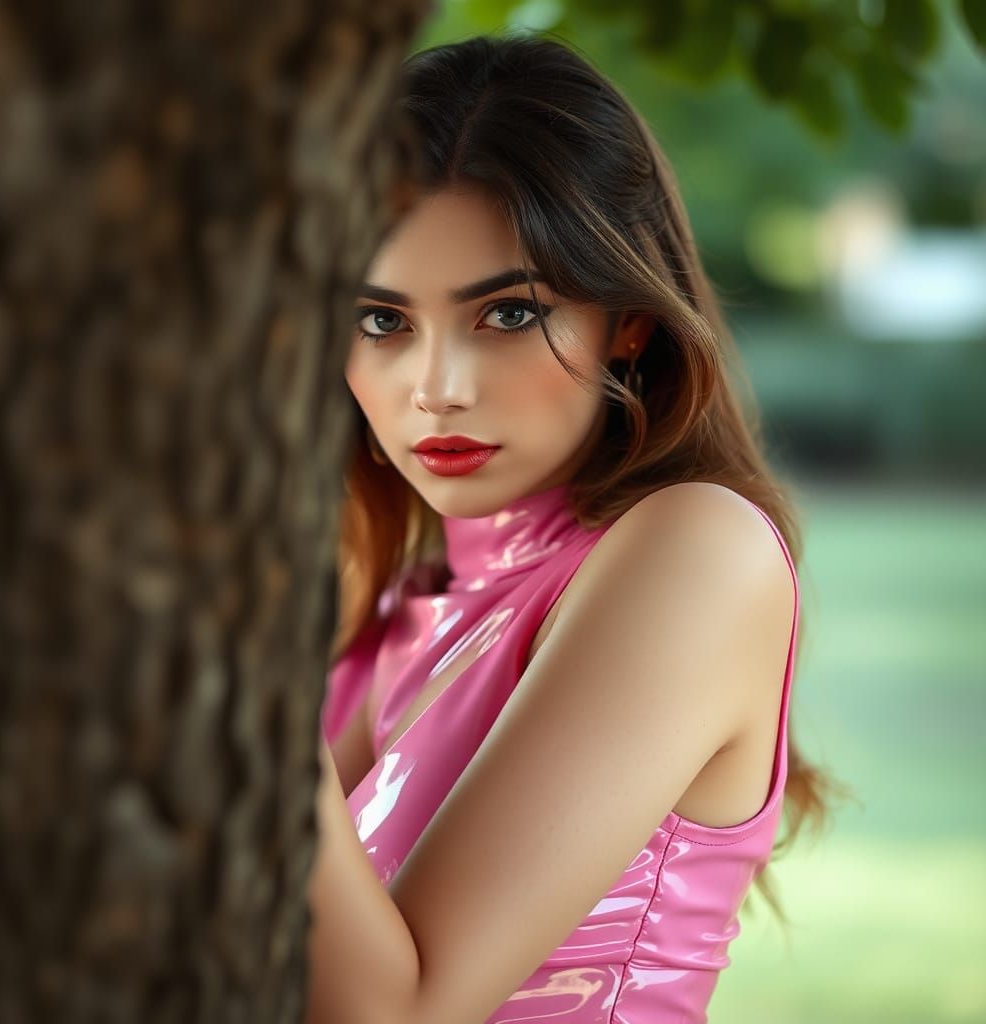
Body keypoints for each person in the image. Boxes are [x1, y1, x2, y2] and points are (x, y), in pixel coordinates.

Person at [317, 33, 834, 1024]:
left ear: (626, 322)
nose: (436, 389)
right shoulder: (412, 604)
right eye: (381, 320)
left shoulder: (696, 550)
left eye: (507, 314)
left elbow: (402, 1009)